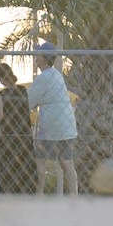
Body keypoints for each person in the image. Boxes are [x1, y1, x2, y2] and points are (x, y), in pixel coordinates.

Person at [30, 42, 80, 195]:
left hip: (51, 127)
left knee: (40, 161)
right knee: (67, 162)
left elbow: (29, 102)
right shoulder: (57, 74)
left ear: (44, 59)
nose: (35, 58)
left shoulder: (42, 78)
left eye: (38, 56)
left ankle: (39, 195)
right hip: (67, 126)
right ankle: (74, 196)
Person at [0, 61, 37, 194]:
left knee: (8, 171)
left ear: (2, 78)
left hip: (8, 137)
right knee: (25, 171)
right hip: (24, 135)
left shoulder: (1, 95)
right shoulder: (23, 90)